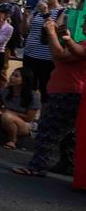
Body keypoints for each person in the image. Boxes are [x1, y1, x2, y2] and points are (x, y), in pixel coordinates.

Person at [13, 18, 86, 176]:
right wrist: (62, 38)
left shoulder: (84, 46)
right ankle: (67, 164)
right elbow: (60, 55)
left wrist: (53, 34)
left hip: (69, 92)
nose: (82, 24)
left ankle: (37, 166)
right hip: (68, 90)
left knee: (48, 129)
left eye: (85, 21)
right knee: (67, 132)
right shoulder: (82, 43)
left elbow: (60, 56)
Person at [21, 0, 68, 99]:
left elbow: (56, 31)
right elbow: (24, 31)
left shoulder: (63, 11)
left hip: (47, 57)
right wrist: (26, 16)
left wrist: (46, 13)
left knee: (45, 90)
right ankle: (27, 114)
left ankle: (42, 115)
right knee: (27, 87)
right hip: (29, 54)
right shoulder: (36, 10)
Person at [0, 67, 39, 149]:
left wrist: (11, 113)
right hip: (5, 119)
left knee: (7, 116)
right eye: (12, 75)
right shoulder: (4, 91)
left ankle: (12, 141)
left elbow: (29, 118)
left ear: (24, 80)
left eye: (16, 76)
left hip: (25, 124)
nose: (12, 78)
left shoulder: (33, 96)